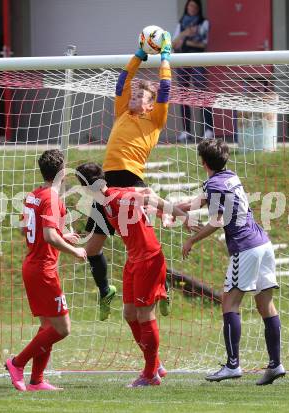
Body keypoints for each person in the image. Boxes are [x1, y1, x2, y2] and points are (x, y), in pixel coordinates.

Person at [178, 139, 285, 385]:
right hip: (263, 244)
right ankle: (275, 363)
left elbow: (216, 221)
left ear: (203, 162)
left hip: (245, 248)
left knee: (229, 303)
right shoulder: (229, 177)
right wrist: (169, 208)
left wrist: (191, 241)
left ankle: (232, 365)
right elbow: (199, 201)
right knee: (265, 304)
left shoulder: (214, 184)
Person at [84, 31, 172, 321]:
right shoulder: (122, 112)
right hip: (108, 185)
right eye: (133, 94)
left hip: (133, 182)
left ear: (150, 104)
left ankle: (161, 287)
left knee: (142, 244)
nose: (133, 97)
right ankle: (105, 289)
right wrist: (138, 55)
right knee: (92, 246)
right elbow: (122, 81)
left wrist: (165, 58)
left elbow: (166, 88)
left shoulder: (155, 120)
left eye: (141, 96)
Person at [75, 162, 187, 387]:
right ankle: (155, 364)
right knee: (129, 314)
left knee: (145, 316)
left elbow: (149, 197)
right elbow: (144, 193)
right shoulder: (105, 202)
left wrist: (181, 215)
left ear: (86, 188)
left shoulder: (116, 197)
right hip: (134, 259)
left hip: (148, 259)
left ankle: (150, 374)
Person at [5, 149, 87, 392]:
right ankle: (16, 362)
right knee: (62, 329)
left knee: (47, 328)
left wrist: (63, 235)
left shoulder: (34, 195)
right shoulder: (51, 197)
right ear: (62, 171)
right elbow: (49, 236)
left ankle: (37, 381)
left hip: (33, 265)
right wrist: (75, 251)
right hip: (43, 270)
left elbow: (25, 229)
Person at [172, 0, 213, 142]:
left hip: (197, 59)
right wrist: (185, 33)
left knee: (202, 94)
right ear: (186, 7)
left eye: (195, 6)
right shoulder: (181, 22)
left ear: (199, 9)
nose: (192, 8)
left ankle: (208, 130)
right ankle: (186, 131)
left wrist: (185, 42)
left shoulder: (204, 23)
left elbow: (202, 43)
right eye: (190, 6)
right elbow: (173, 43)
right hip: (182, 60)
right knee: (183, 95)